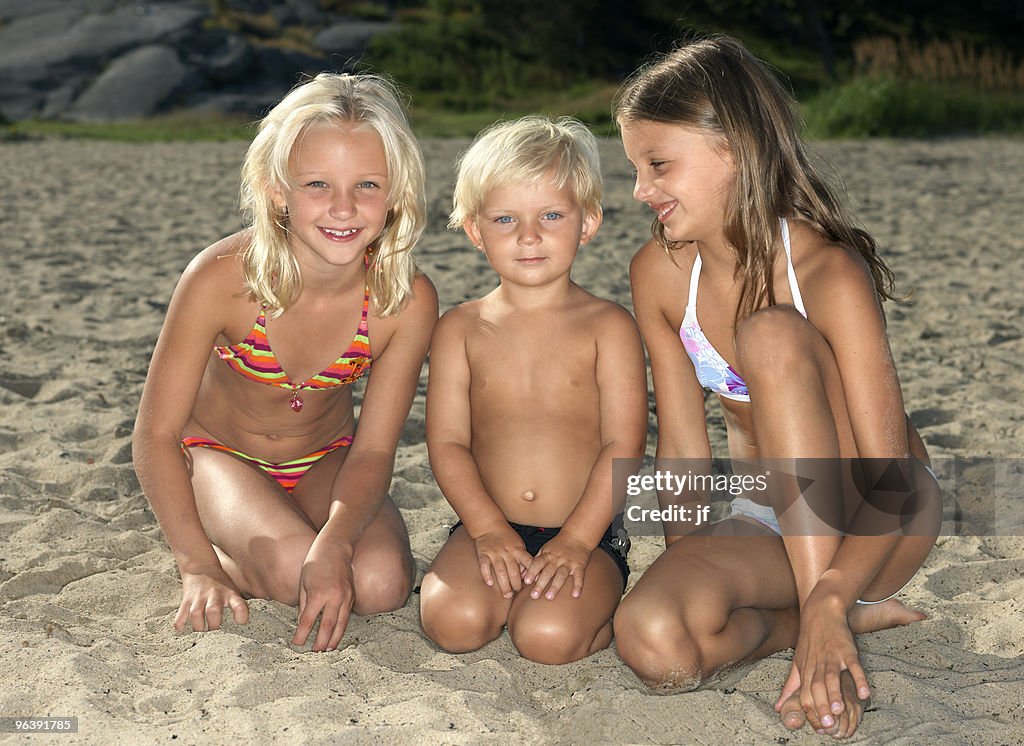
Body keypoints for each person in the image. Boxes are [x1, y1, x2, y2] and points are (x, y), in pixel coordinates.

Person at [612, 35, 941, 738]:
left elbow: (893, 477)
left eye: (659, 165)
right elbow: (682, 447)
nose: (641, 190)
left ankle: (830, 621)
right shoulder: (660, 273)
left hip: (876, 518)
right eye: (636, 168)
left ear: (732, 149)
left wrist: (830, 590)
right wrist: (689, 569)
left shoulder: (826, 271)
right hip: (771, 512)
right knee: (653, 638)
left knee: (770, 334)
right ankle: (827, 622)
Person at [132, 72, 437, 653]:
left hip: (326, 460)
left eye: (368, 184)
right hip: (219, 459)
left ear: (397, 191)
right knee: (296, 568)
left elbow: (372, 450)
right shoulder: (222, 279)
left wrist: (339, 541)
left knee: (380, 584)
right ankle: (223, 543)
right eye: (317, 184)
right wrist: (196, 565)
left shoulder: (404, 300)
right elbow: (155, 433)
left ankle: (287, 529)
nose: (343, 208)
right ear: (277, 188)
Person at [419, 116, 647, 664]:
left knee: (547, 640)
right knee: (453, 624)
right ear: (475, 231)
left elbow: (625, 446)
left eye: (551, 215)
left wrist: (576, 541)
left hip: (583, 531)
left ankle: (597, 598)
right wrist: (486, 528)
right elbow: (447, 443)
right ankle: (496, 577)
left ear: (587, 223)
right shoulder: (461, 328)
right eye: (505, 219)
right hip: (488, 524)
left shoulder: (608, 326)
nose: (529, 236)